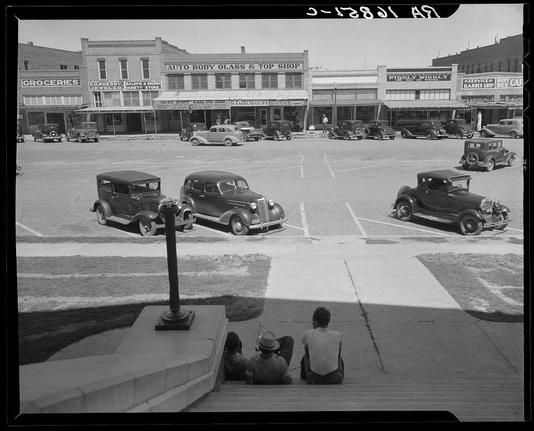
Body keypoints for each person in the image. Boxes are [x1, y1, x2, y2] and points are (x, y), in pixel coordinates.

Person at [300, 306, 344, 384]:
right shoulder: (337, 335)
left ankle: (306, 375)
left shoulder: (308, 334)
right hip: (335, 379)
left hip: (313, 379)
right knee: (339, 356)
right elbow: (338, 357)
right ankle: (339, 374)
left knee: (305, 356)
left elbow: (307, 356)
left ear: (315, 321)